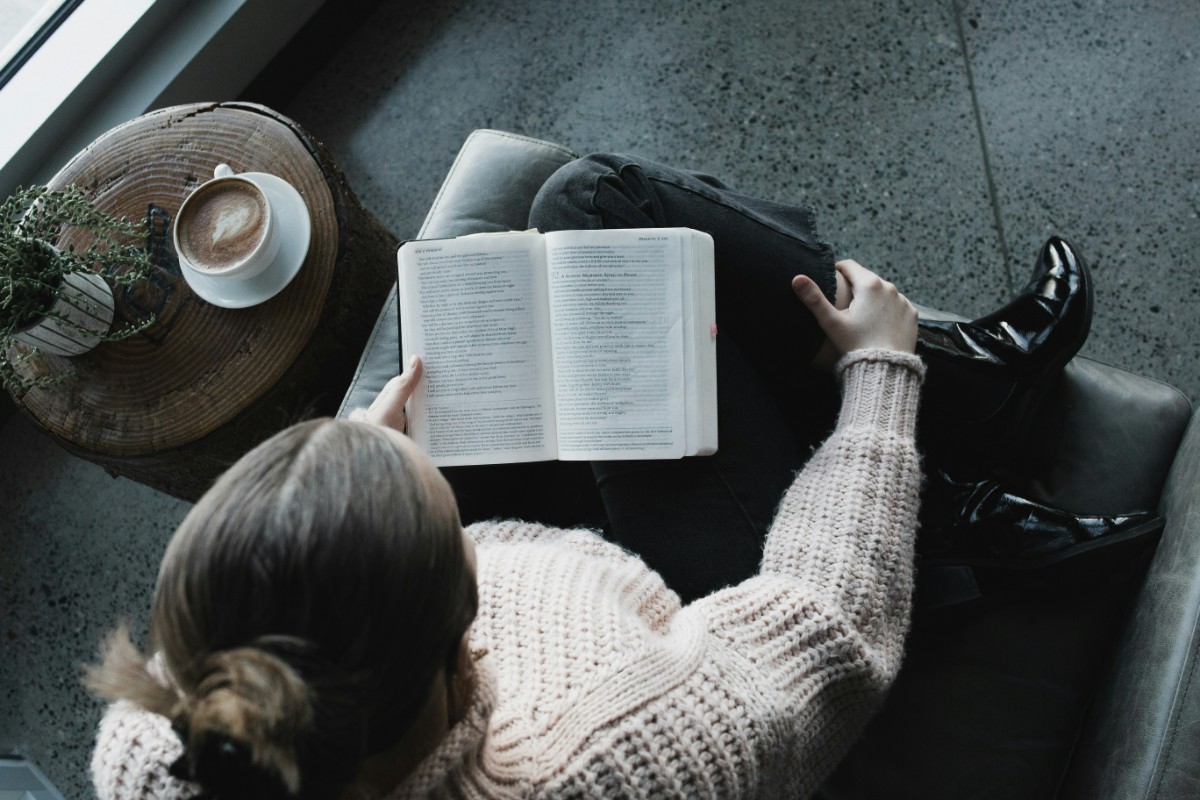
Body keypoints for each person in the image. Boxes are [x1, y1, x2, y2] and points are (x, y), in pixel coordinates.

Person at [86, 154, 1149, 799]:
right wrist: (882, 375)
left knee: (583, 215)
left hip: (518, 596)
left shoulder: (160, 744)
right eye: (430, 502)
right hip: (674, 614)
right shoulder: (613, 760)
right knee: (595, 205)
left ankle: (960, 404)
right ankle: (936, 426)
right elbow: (829, 619)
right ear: (461, 632)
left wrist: (356, 468)